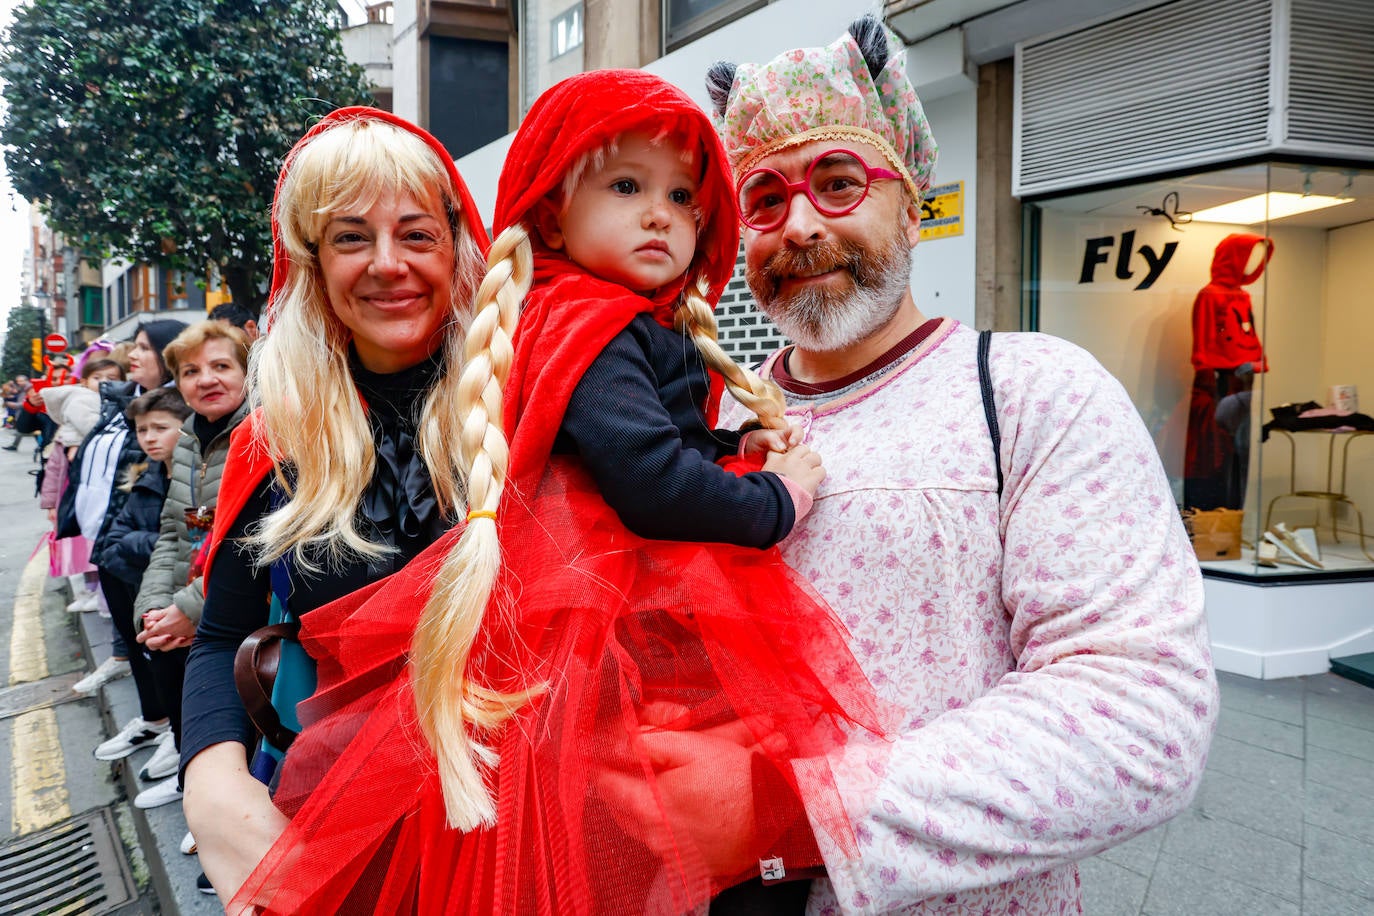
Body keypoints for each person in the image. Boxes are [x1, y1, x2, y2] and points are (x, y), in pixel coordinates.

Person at [225, 69, 886, 916]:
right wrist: (776, 502)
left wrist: (727, 443)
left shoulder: (542, 335)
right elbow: (651, 476)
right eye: (351, 236)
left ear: (458, 242)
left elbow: (646, 446)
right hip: (523, 709)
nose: (659, 213)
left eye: (684, 196)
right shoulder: (588, 322)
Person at [675, 16, 1218, 913]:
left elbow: (1142, 714)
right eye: (763, 200)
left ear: (913, 199)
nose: (799, 224)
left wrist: (799, 812)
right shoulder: (699, 418)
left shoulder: (1034, 393)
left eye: (839, 183)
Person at [180, 107, 491, 908]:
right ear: (313, 263)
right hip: (350, 822)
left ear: (457, 246)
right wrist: (211, 776)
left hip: (524, 814)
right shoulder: (272, 437)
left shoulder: (532, 401)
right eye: (352, 237)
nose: (388, 264)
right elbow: (219, 637)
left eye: (416, 234)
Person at [126, 321, 252, 811]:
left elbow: (256, 545)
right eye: (191, 371)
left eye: (222, 366)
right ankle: (196, 801)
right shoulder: (187, 442)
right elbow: (173, 536)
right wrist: (153, 609)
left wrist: (188, 609)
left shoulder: (263, 434)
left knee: (240, 736)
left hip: (241, 617)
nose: (206, 380)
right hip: (191, 611)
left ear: (246, 372)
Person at [62, 319, 187, 700]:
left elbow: (186, 525)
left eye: (144, 347)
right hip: (114, 542)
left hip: (147, 552)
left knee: (162, 650)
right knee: (139, 646)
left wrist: (129, 539)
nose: (131, 354)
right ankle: (156, 720)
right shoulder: (121, 401)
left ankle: (170, 728)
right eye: (134, 345)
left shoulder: (185, 416)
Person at [95, 386, 193, 783]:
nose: (149, 438)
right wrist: (150, 542)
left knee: (180, 676)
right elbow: (114, 540)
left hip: (181, 600)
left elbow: (192, 544)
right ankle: (160, 726)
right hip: (140, 590)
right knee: (147, 660)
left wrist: (143, 542)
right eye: (142, 429)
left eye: (160, 428)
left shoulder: (194, 476)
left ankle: (183, 744)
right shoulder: (143, 473)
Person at [38, 356, 126, 612]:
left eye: (112, 379)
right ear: (85, 382)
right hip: (72, 495)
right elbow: (54, 469)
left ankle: (101, 598)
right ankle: (88, 593)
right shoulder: (67, 430)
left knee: (96, 547)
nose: (104, 384)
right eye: (98, 379)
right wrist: (50, 503)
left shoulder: (121, 416)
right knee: (78, 547)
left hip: (102, 497)